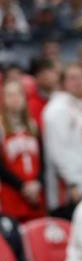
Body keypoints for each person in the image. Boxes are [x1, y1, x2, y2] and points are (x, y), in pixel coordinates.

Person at [42, 64, 82, 219]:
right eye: (73, 78)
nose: (79, 82)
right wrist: (73, 183)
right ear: (62, 83)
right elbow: (58, 151)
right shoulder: (57, 109)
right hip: (69, 192)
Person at [0, 81, 45, 221]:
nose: (15, 99)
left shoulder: (33, 126)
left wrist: (38, 183)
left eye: (18, 94)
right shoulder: (1, 128)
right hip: (12, 195)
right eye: (10, 95)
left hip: (36, 194)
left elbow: (43, 160)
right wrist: (22, 186)